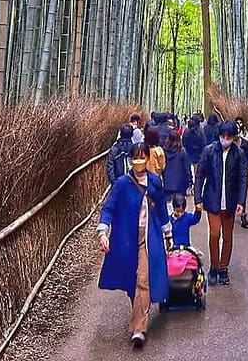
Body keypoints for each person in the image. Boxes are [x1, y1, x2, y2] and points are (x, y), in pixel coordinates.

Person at [97, 144, 173, 348]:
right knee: (132, 281)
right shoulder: (122, 183)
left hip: (149, 236)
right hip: (126, 237)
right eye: (135, 157)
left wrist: (168, 233)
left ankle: (139, 329)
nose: (139, 161)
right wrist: (103, 232)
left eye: (142, 157)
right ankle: (139, 313)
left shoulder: (155, 181)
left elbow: (162, 209)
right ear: (130, 160)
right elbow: (109, 208)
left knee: (143, 278)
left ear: (148, 158)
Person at [194, 120, 248, 286]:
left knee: (228, 236)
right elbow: (200, 175)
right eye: (223, 135)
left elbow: (242, 178)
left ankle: (224, 268)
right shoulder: (209, 151)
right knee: (214, 234)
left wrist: (241, 201)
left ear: (233, 137)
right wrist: (198, 198)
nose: (225, 138)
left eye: (229, 136)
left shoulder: (238, 153)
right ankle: (214, 267)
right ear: (219, 135)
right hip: (213, 199)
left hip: (230, 201)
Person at [234, 117, 248, 228]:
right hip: (231, 172)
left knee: (242, 191)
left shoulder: (245, 144)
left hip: (242, 170)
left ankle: (243, 214)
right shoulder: (227, 145)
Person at [162, 131, 191, 198]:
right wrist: (190, 181)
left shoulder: (164, 151)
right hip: (180, 185)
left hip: (167, 184)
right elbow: (187, 168)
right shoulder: (182, 152)